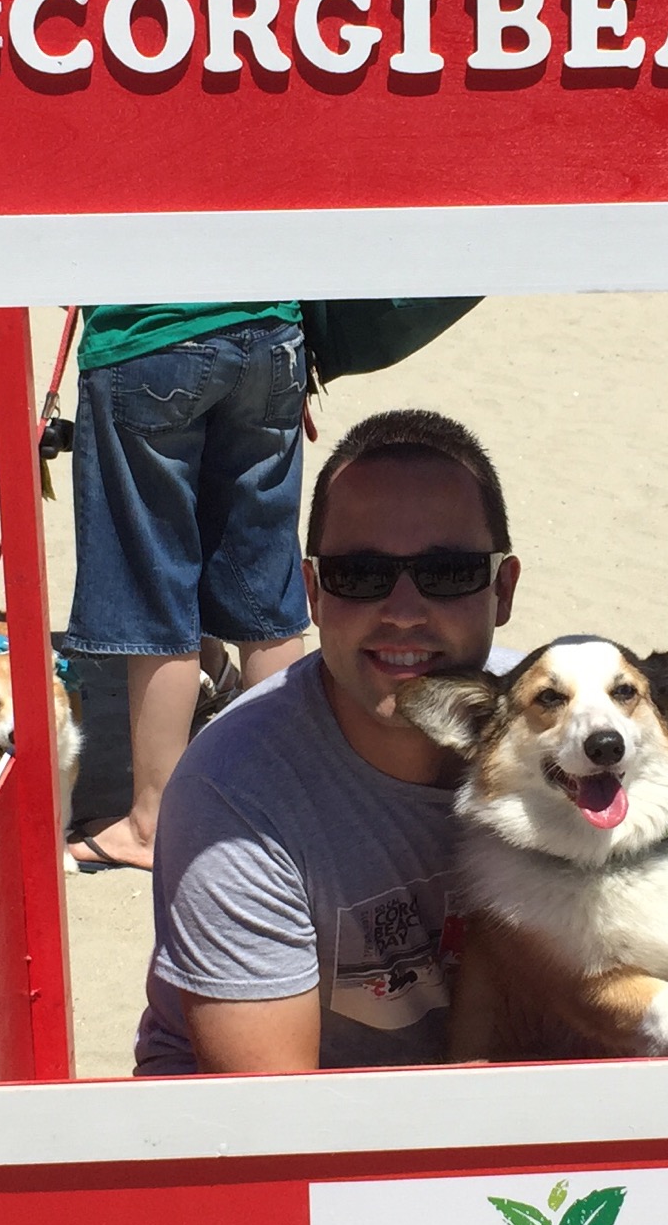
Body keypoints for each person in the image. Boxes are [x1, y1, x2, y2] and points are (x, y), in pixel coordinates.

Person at [133, 409, 519, 1075]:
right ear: (312, 593)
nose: (402, 610)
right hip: (282, 1139)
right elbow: (278, 1120)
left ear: (502, 589)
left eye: (448, 573)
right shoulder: (232, 792)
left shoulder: (565, 723)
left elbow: (667, 934)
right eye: (360, 575)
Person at [61, 301, 314, 875]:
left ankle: (155, 821)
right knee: (266, 576)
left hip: (153, 331)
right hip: (271, 329)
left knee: (151, 582)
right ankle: (279, 812)